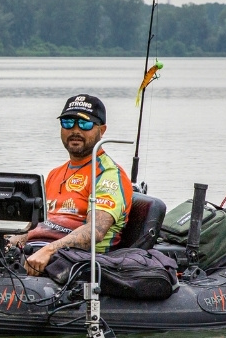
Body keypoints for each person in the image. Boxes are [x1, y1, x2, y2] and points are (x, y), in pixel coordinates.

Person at [9, 93, 133, 276]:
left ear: (102, 130)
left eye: (85, 124)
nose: (75, 130)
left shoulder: (108, 175)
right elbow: (34, 227)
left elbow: (95, 231)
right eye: (68, 123)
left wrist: (49, 250)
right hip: (34, 253)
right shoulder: (54, 174)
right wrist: (8, 242)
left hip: (75, 264)